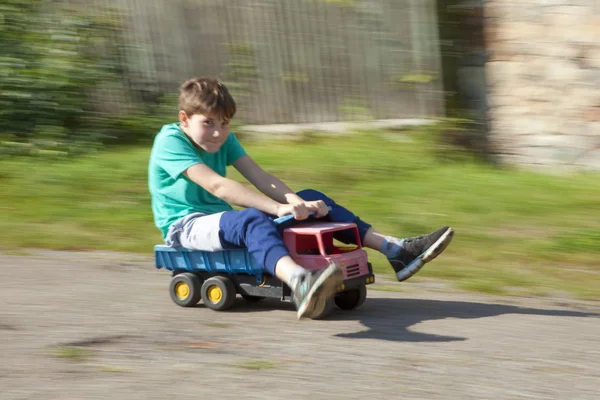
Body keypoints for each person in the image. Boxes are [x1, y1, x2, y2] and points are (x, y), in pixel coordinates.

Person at [148, 77, 454, 319]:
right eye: (208, 123)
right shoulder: (170, 141)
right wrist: (278, 207)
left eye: (224, 123)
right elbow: (219, 187)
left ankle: (396, 249)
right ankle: (301, 283)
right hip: (186, 227)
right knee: (252, 218)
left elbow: (261, 177)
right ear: (185, 118)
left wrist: (295, 202)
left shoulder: (224, 137)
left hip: (221, 222)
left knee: (313, 198)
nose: (218, 133)